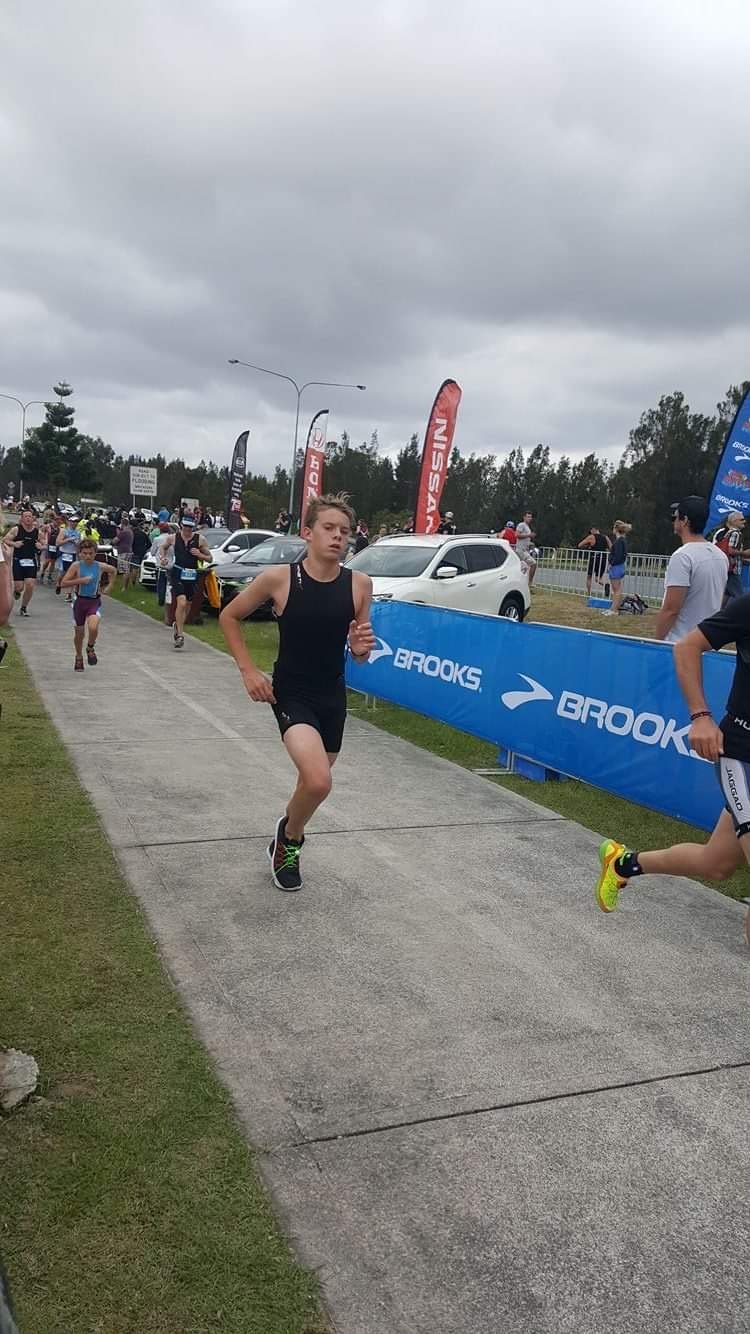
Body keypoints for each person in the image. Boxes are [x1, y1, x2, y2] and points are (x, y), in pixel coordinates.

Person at [220, 494, 375, 891]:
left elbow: (359, 652)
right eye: (329, 528)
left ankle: (286, 831)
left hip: (332, 696)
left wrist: (360, 650)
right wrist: (248, 670)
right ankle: (291, 842)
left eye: (344, 531)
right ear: (307, 532)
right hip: (291, 693)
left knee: (311, 783)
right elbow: (229, 615)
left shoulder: (359, 584)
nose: (338, 536)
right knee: (319, 781)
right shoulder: (280, 578)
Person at [595, 593, 750, 947]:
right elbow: (686, 647)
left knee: (716, 863)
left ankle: (622, 863)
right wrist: (701, 717)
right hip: (742, 756)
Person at [655, 497, 728, 642]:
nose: (673, 521)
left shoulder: (682, 556)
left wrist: (656, 642)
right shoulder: (720, 556)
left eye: (675, 517)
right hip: (706, 641)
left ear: (684, 521)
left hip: (680, 642)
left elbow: (671, 609)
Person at [60, 537, 116, 670]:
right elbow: (63, 583)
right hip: (79, 602)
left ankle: (90, 647)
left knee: (93, 627)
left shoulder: (99, 566)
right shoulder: (76, 566)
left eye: (91, 553)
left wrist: (110, 586)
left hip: (93, 601)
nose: (88, 556)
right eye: (84, 553)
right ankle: (79, 657)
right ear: (79, 553)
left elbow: (113, 570)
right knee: (79, 633)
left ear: (95, 553)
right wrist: (80, 580)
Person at [162, 514, 212, 649]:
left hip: (191, 575)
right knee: (182, 602)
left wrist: (199, 554)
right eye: (185, 527)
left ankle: (177, 626)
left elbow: (210, 558)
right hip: (178, 573)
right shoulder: (173, 538)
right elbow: (163, 547)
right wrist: (163, 558)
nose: (187, 530)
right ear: (181, 526)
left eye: (190, 527)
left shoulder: (200, 539)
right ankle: (180, 635)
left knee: (187, 606)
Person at [4, 508, 43, 616]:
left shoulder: (37, 532)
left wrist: (41, 546)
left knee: (30, 585)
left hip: (31, 560)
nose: (28, 518)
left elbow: (45, 544)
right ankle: (17, 591)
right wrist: (14, 544)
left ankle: (24, 607)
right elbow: (5, 540)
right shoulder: (16, 529)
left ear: (33, 518)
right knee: (19, 587)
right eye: (26, 516)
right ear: (22, 518)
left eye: (30, 516)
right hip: (18, 560)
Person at [712, 511, 748, 604]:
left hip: (726, 568)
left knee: (726, 595)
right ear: (734, 521)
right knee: (741, 598)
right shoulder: (736, 533)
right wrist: (744, 553)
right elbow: (731, 550)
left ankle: (718, 612)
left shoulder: (726, 533)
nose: (744, 521)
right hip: (733, 570)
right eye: (742, 520)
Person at [603, 520, 631, 615]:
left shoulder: (619, 541)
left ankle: (614, 610)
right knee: (617, 589)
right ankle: (613, 608)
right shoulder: (622, 540)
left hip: (616, 567)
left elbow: (618, 555)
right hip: (619, 566)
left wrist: (611, 563)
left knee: (616, 589)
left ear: (616, 529)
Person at [578, 527, 611, 596]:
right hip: (603, 559)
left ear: (593, 530)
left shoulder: (591, 537)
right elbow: (611, 547)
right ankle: (605, 585)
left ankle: (589, 594)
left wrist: (588, 546)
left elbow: (580, 545)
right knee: (598, 579)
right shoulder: (606, 537)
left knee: (589, 577)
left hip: (594, 558)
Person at [150, 522, 174, 605]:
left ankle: (161, 601)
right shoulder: (172, 538)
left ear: (160, 530)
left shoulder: (157, 539)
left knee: (161, 584)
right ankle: (169, 600)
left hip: (160, 565)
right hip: (170, 565)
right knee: (169, 585)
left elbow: (152, 552)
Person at [56, 517, 80, 600]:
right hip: (64, 554)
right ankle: (58, 584)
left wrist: (77, 544)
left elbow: (79, 545)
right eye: (72, 521)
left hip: (73, 554)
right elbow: (58, 543)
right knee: (62, 573)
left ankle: (68, 594)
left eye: (76, 522)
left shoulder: (78, 532)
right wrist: (68, 539)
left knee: (73, 574)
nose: (74, 523)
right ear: (69, 522)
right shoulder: (64, 531)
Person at [515, 511, 537, 587]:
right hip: (521, 550)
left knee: (523, 568)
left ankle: (523, 583)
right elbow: (517, 535)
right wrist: (529, 535)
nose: (530, 518)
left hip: (525, 550)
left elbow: (525, 539)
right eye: (528, 517)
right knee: (533, 564)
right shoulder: (521, 525)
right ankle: (529, 583)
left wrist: (530, 543)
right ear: (524, 517)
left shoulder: (527, 527)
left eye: (530, 517)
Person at [115, 515, 135, 589]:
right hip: (129, 551)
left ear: (122, 524)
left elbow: (115, 540)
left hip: (123, 552)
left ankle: (124, 587)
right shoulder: (130, 531)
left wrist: (117, 533)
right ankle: (125, 586)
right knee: (127, 569)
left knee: (124, 570)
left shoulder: (123, 532)